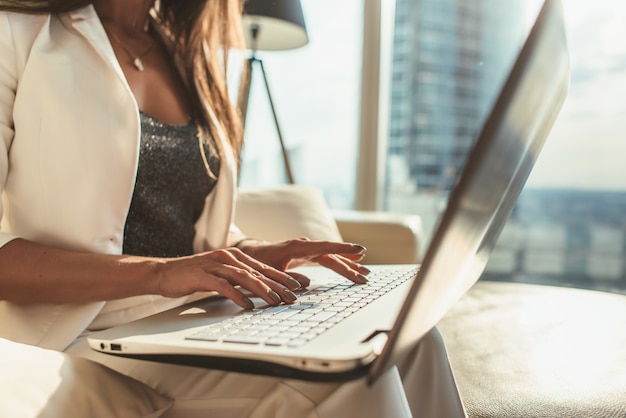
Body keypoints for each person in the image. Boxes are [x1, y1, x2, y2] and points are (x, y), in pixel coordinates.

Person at [0, 0, 467, 416]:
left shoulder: (187, 53)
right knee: (353, 375)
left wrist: (251, 251)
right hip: (82, 331)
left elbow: (191, 228)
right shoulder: (16, 31)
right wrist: (160, 273)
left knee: (414, 343)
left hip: (194, 315)